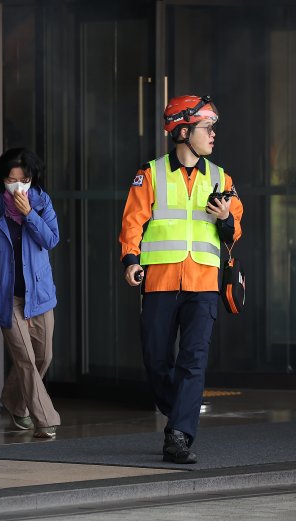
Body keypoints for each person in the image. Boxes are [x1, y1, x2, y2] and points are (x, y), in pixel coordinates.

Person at [119, 95, 243, 464]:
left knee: (194, 361)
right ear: (184, 130)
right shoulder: (151, 173)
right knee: (156, 360)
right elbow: (133, 221)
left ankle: (179, 435)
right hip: (160, 281)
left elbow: (236, 229)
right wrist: (130, 261)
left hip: (204, 283)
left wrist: (226, 220)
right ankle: (180, 413)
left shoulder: (221, 177)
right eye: (207, 128)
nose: (213, 135)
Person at [0, 147, 61, 439]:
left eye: (23, 179)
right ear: (1, 179)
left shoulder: (42, 203)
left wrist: (29, 214)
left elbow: (51, 239)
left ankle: (16, 403)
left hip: (39, 295)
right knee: (26, 360)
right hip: (6, 298)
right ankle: (46, 419)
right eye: (11, 179)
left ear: (32, 179)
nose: (17, 186)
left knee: (44, 357)